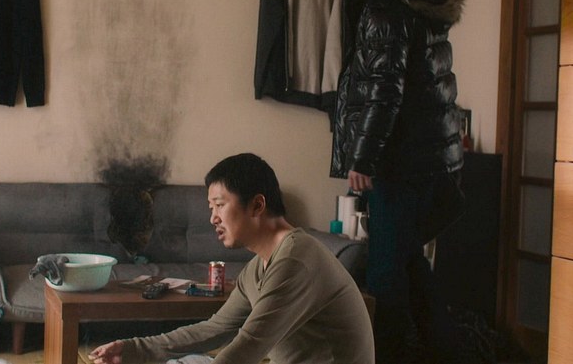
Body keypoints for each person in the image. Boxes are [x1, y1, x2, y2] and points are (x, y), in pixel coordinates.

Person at [326, 0, 466, 364]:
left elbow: (383, 90)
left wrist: (362, 157)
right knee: (409, 263)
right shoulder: (413, 1)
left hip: (399, 164)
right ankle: (448, 353)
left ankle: (388, 356)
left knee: (386, 276)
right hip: (430, 161)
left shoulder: (382, 7)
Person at [89, 153, 375, 364]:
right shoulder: (259, 267)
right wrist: (133, 349)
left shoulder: (296, 261)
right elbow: (216, 328)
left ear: (257, 205)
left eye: (219, 205)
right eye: (210, 207)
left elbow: (249, 345)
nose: (213, 218)